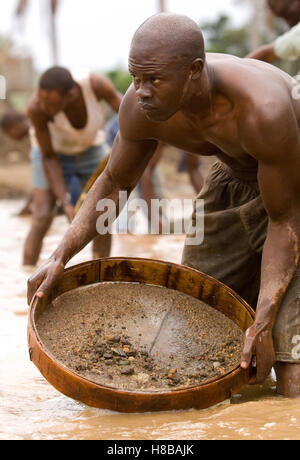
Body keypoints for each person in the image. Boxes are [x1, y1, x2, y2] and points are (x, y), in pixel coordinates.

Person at [28, 13, 300, 397]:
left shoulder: (261, 110)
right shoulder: (140, 109)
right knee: (195, 333)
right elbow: (114, 183)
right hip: (232, 178)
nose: (141, 90)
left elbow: (284, 218)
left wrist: (266, 317)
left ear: (193, 71)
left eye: (153, 79)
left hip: (294, 189)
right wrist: (61, 253)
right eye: (135, 78)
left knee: (291, 367)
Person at [23, 66, 122, 266]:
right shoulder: (36, 108)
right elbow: (49, 158)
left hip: (90, 148)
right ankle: (26, 274)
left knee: (103, 215)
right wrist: (66, 203)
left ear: (70, 95)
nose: (44, 107)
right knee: (42, 214)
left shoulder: (96, 85)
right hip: (51, 153)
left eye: (50, 105)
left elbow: (129, 113)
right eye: (41, 100)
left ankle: (100, 271)